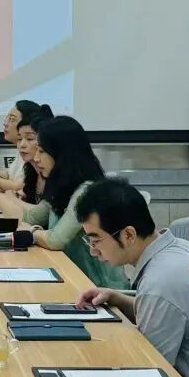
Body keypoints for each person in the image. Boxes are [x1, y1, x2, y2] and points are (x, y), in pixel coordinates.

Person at [73, 179, 189, 377]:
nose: (93, 251)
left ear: (128, 235)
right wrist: (118, 299)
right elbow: (166, 314)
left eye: (96, 240)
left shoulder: (160, 281)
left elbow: (148, 371)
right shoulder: (177, 248)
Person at [12, 116, 130, 289]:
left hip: (99, 289)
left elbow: (56, 240)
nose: (36, 158)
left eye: (41, 151)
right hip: (73, 278)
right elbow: (31, 217)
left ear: (61, 154)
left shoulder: (86, 190)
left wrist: (32, 232)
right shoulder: (62, 186)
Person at [0, 102, 53, 211]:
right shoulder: (30, 168)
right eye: (20, 139)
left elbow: (41, 214)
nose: (5, 123)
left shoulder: (52, 175)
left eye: (12, 119)